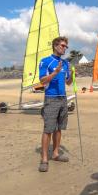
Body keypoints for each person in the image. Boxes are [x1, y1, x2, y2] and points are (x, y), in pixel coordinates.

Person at [37, 36, 73, 172]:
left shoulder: (65, 63)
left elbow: (68, 82)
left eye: (66, 46)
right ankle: (44, 159)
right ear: (56, 46)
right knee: (48, 129)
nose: (65, 48)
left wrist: (72, 75)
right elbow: (42, 81)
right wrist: (55, 72)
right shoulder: (45, 61)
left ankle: (56, 153)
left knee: (59, 128)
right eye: (63, 46)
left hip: (63, 98)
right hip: (51, 98)